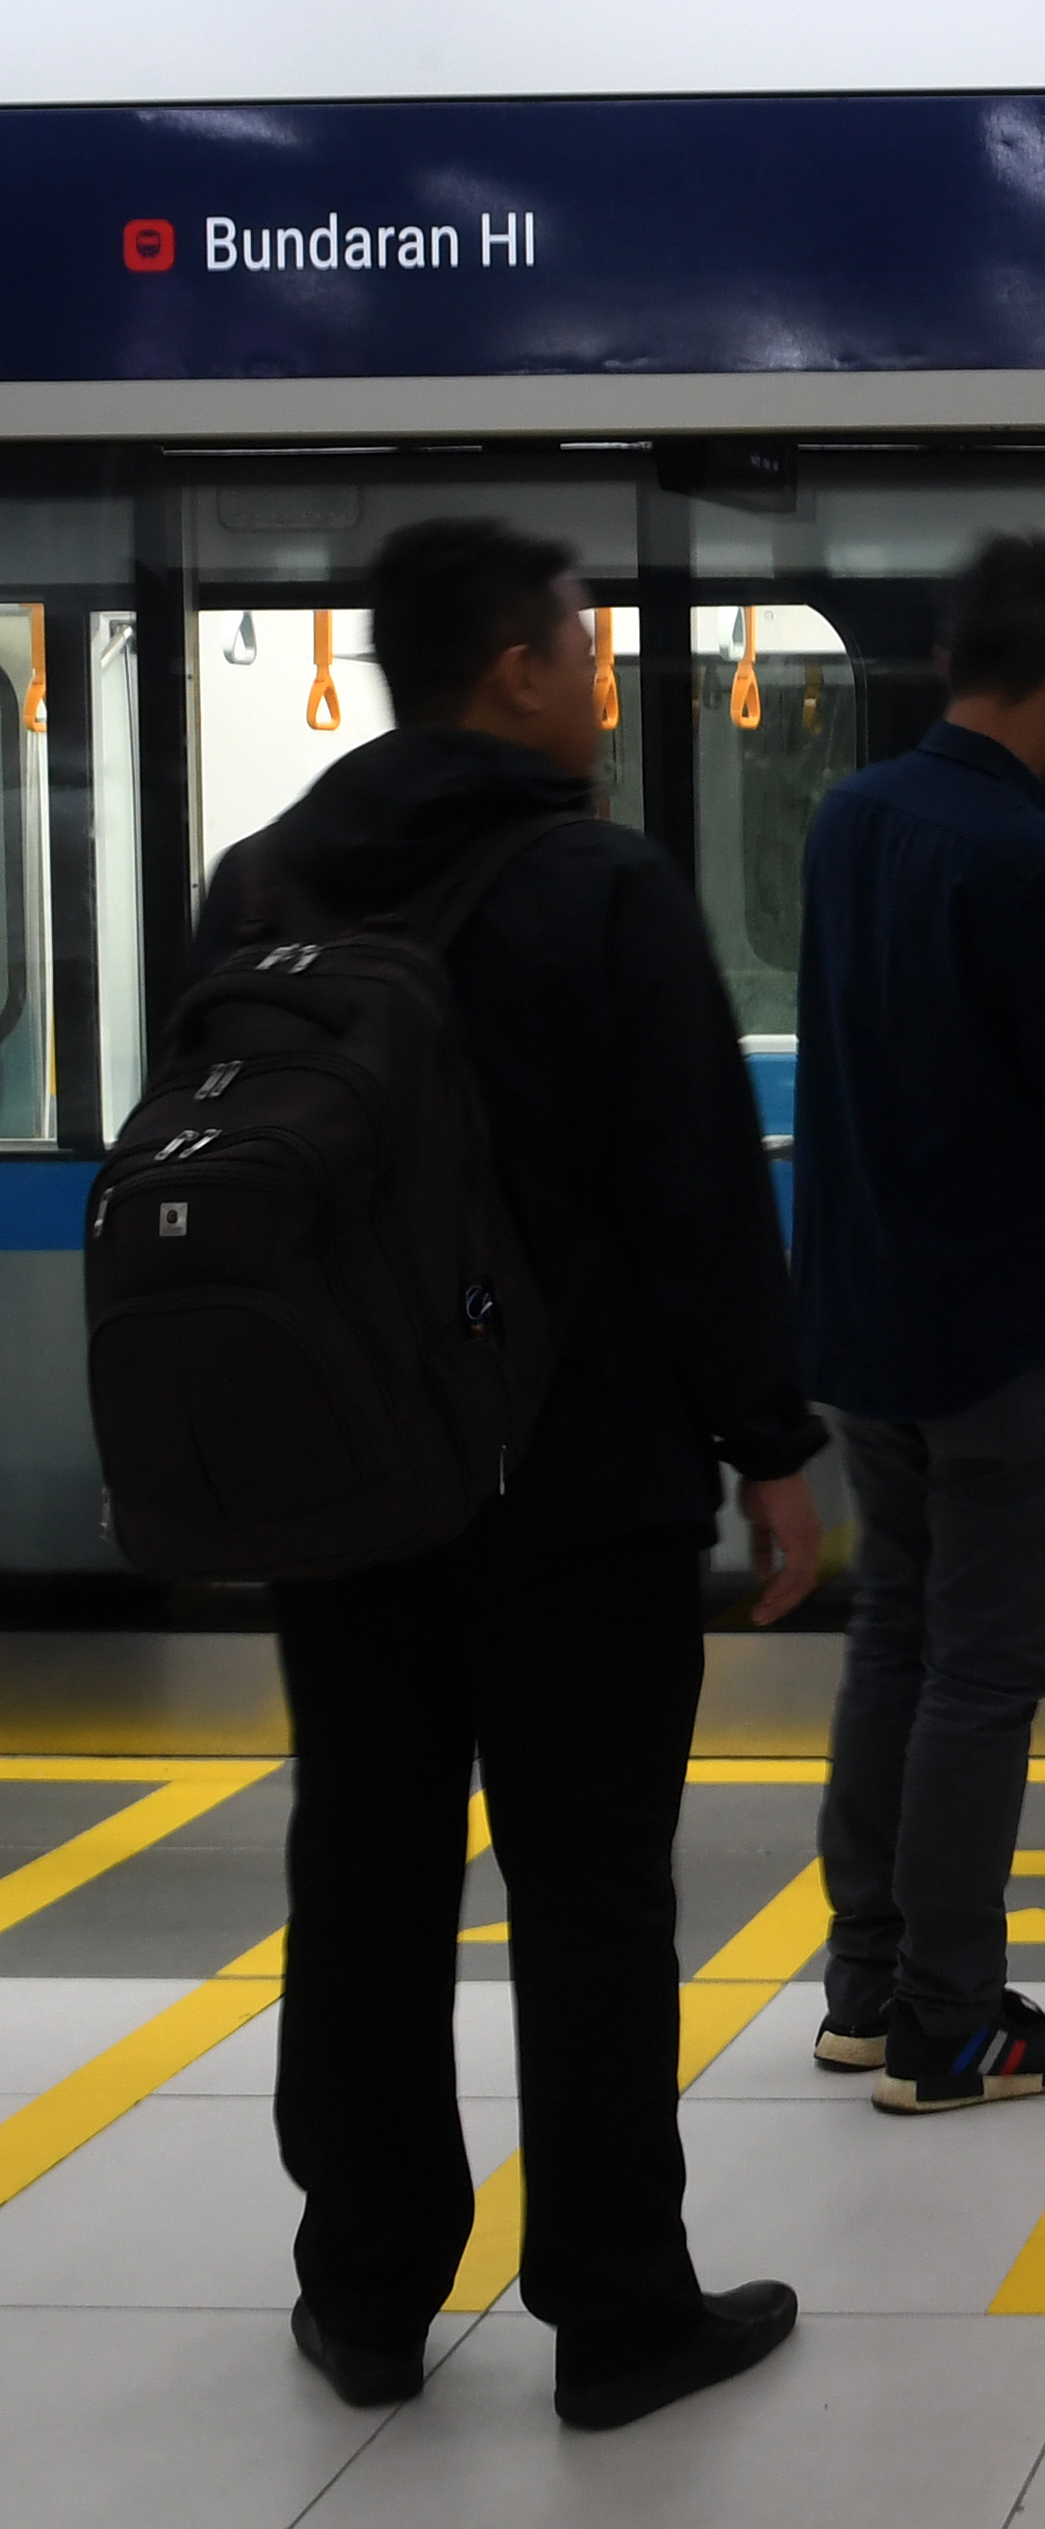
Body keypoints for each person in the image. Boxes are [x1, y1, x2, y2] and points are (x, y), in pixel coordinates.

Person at [195, 516, 811, 2429]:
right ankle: (620, 2307)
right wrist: (774, 1447)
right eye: (585, 644)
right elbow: (695, 1196)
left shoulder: (257, 885)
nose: (605, 675)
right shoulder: (598, 885)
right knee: (591, 1887)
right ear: (511, 672)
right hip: (583, 1484)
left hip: (347, 1478)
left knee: (365, 1866)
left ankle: (365, 2291)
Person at [795, 530, 1045, 2115]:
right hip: (1007, 1335)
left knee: (894, 1638)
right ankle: (953, 2020)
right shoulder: (1033, 863)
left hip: (866, 1318)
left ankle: (869, 1979)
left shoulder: (851, 820)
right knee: (981, 1671)